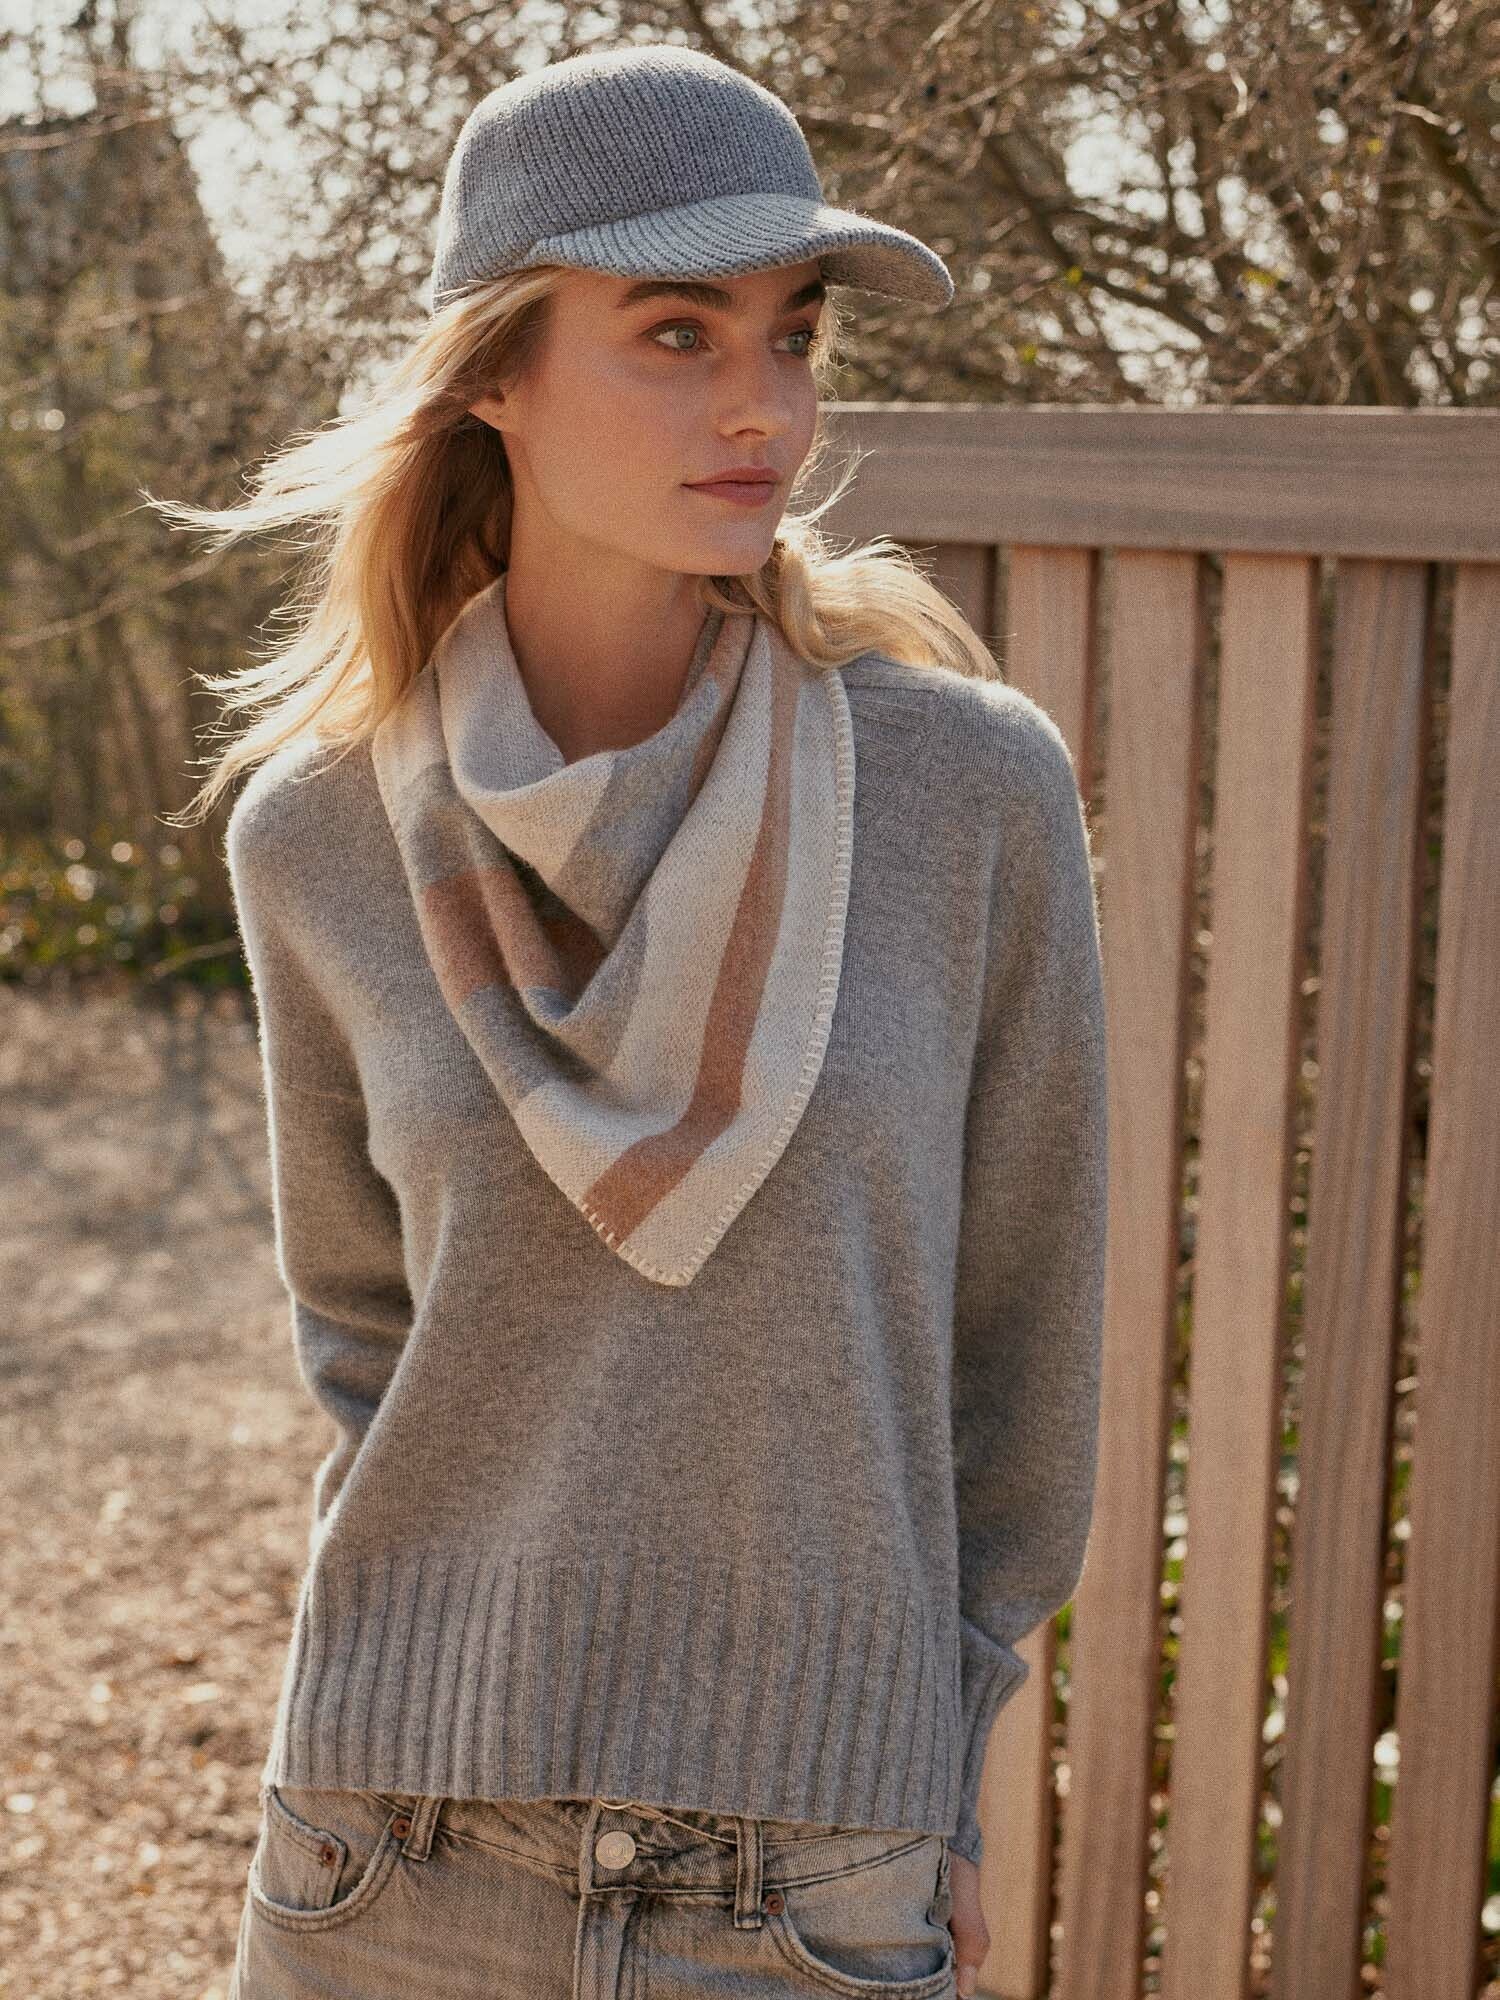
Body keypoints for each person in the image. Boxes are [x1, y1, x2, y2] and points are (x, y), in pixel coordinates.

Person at [152, 40, 1108, 2000]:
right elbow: (365, 1337)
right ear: (491, 373)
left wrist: (939, 1769)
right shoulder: (317, 834)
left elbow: (1024, 1339)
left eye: (794, 332)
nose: (766, 404)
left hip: (807, 1876)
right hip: (386, 1854)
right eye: (678, 332)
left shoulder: (966, 792)